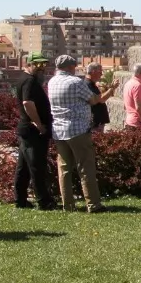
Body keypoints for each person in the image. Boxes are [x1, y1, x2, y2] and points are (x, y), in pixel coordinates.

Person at [48, 54, 107, 212]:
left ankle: (68, 205)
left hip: (58, 130)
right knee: (85, 167)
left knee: (64, 169)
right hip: (78, 129)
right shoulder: (76, 82)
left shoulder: (52, 81)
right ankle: (93, 204)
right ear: (70, 67)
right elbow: (93, 100)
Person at [12, 54, 57, 209]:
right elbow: (27, 103)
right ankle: (44, 201)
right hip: (32, 131)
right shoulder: (29, 81)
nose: (42, 69)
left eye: (44, 65)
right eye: (38, 65)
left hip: (27, 130)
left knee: (23, 168)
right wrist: (38, 124)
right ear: (29, 64)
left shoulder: (25, 79)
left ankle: (20, 200)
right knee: (37, 166)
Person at [86, 63, 112, 133]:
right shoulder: (88, 84)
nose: (101, 74)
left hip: (98, 122)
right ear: (93, 71)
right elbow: (101, 99)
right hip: (95, 122)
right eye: (100, 72)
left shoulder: (92, 84)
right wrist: (111, 89)